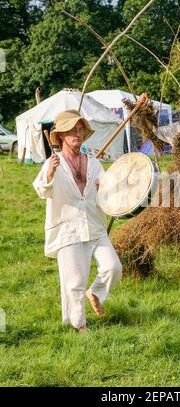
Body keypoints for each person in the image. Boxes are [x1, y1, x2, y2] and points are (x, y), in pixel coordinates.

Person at [33, 109, 123, 333]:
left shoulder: (93, 164)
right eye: (73, 130)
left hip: (95, 227)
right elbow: (41, 190)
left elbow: (107, 192)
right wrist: (50, 175)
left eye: (81, 130)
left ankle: (95, 293)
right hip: (68, 229)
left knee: (114, 268)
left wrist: (106, 189)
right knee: (74, 282)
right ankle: (79, 325)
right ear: (61, 135)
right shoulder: (53, 163)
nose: (78, 134)